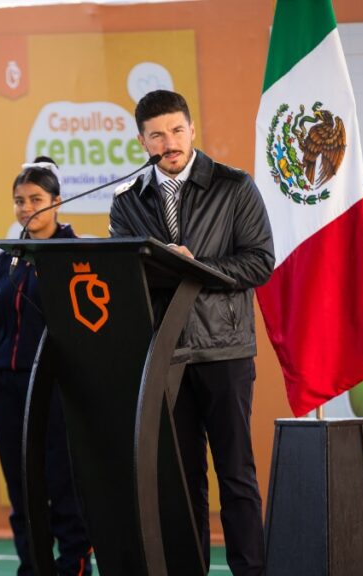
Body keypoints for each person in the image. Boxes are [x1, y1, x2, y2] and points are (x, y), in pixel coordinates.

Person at [109, 90, 275, 576]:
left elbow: (260, 262)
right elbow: (126, 276)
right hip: (166, 355)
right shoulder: (128, 201)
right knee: (183, 482)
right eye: (157, 134)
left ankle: (251, 571)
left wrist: (194, 266)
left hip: (224, 349)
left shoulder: (234, 186)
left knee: (236, 475)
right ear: (142, 141)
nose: (169, 142)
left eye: (177, 130)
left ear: (192, 129)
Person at [0, 158, 92, 576]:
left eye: (36, 200)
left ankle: (74, 568)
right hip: (7, 389)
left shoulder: (76, 254)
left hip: (55, 391)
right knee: (23, 492)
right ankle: (32, 568)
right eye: (19, 201)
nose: (27, 208)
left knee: (63, 488)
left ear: (58, 201)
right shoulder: (6, 258)